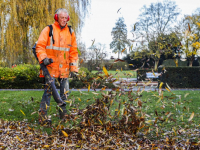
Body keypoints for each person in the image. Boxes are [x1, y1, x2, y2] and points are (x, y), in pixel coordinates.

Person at [36, 8, 78, 124]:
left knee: (65, 93)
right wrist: (44, 58)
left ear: (68, 18)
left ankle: (63, 116)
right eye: (62, 18)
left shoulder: (70, 32)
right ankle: (42, 117)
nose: (64, 20)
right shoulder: (48, 30)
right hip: (50, 68)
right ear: (56, 18)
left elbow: (73, 51)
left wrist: (73, 68)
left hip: (64, 69)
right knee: (48, 93)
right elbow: (39, 46)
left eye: (66, 18)